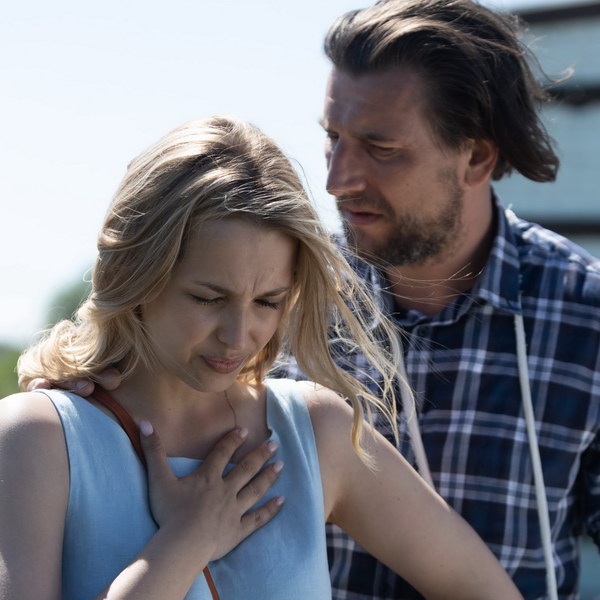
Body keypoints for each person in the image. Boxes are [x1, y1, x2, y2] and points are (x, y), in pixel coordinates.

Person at [0, 116, 522, 599]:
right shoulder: (38, 438)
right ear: (134, 274)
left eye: (268, 302)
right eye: (208, 298)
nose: (238, 336)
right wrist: (186, 542)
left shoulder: (313, 430)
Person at [305, 1, 599, 599]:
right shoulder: (283, 299)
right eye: (333, 139)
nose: (338, 180)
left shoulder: (586, 315)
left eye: (380, 148)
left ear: (477, 156)